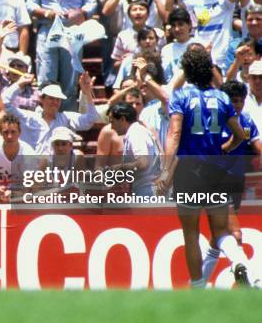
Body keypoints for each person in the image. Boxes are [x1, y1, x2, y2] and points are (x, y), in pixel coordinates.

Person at [162, 47, 257, 288]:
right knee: (220, 229)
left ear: (188, 71)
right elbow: (238, 135)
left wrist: (165, 168)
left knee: (192, 234)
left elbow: (174, 133)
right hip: (217, 171)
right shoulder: (223, 98)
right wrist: (226, 147)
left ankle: (197, 287)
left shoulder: (180, 96)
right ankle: (237, 260)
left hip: (189, 170)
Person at [2, 72, 99, 153]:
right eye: (51, 98)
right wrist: (19, 84)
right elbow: (4, 103)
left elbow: (91, 119)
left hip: (56, 168)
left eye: (58, 99)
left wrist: (87, 93)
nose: (55, 102)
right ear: (41, 99)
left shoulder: (66, 118)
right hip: (31, 168)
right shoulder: (29, 117)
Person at [108, 101, 162, 197]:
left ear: (122, 119)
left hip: (147, 192)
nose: (111, 127)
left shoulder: (136, 133)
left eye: (112, 122)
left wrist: (119, 168)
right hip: (148, 190)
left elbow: (142, 164)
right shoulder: (137, 131)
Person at [0, 112, 35, 201]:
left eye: (13, 132)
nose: (9, 136)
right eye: (5, 132)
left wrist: (14, 194)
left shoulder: (28, 153)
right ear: (0, 132)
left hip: (20, 198)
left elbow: (32, 186)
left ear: (19, 132)